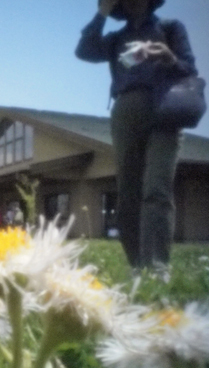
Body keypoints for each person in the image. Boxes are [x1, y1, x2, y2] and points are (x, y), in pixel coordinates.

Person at [75, 0, 198, 278]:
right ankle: (137, 267)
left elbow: (190, 69)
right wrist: (101, 13)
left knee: (157, 188)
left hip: (166, 109)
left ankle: (156, 267)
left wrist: (168, 56)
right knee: (129, 193)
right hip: (126, 113)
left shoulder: (170, 27)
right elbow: (83, 51)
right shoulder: (117, 38)